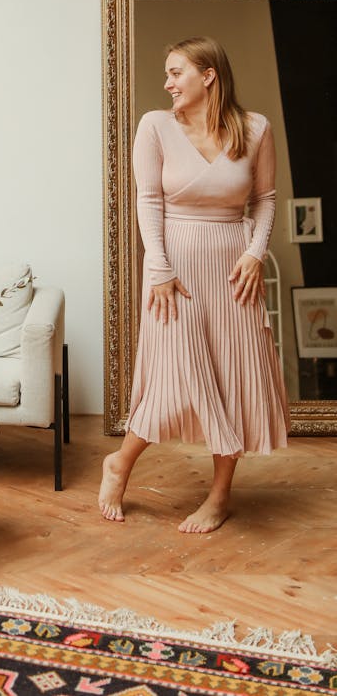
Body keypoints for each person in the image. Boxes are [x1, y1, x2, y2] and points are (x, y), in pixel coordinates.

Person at [99, 37, 289, 533]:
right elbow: (148, 202)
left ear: (208, 75)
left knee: (233, 379)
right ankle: (119, 463)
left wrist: (254, 253)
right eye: (166, 73)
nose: (167, 83)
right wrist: (158, 268)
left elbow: (265, 199)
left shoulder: (256, 128)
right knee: (169, 380)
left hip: (233, 271)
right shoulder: (156, 126)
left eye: (175, 72)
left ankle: (220, 496)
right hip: (174, 272)